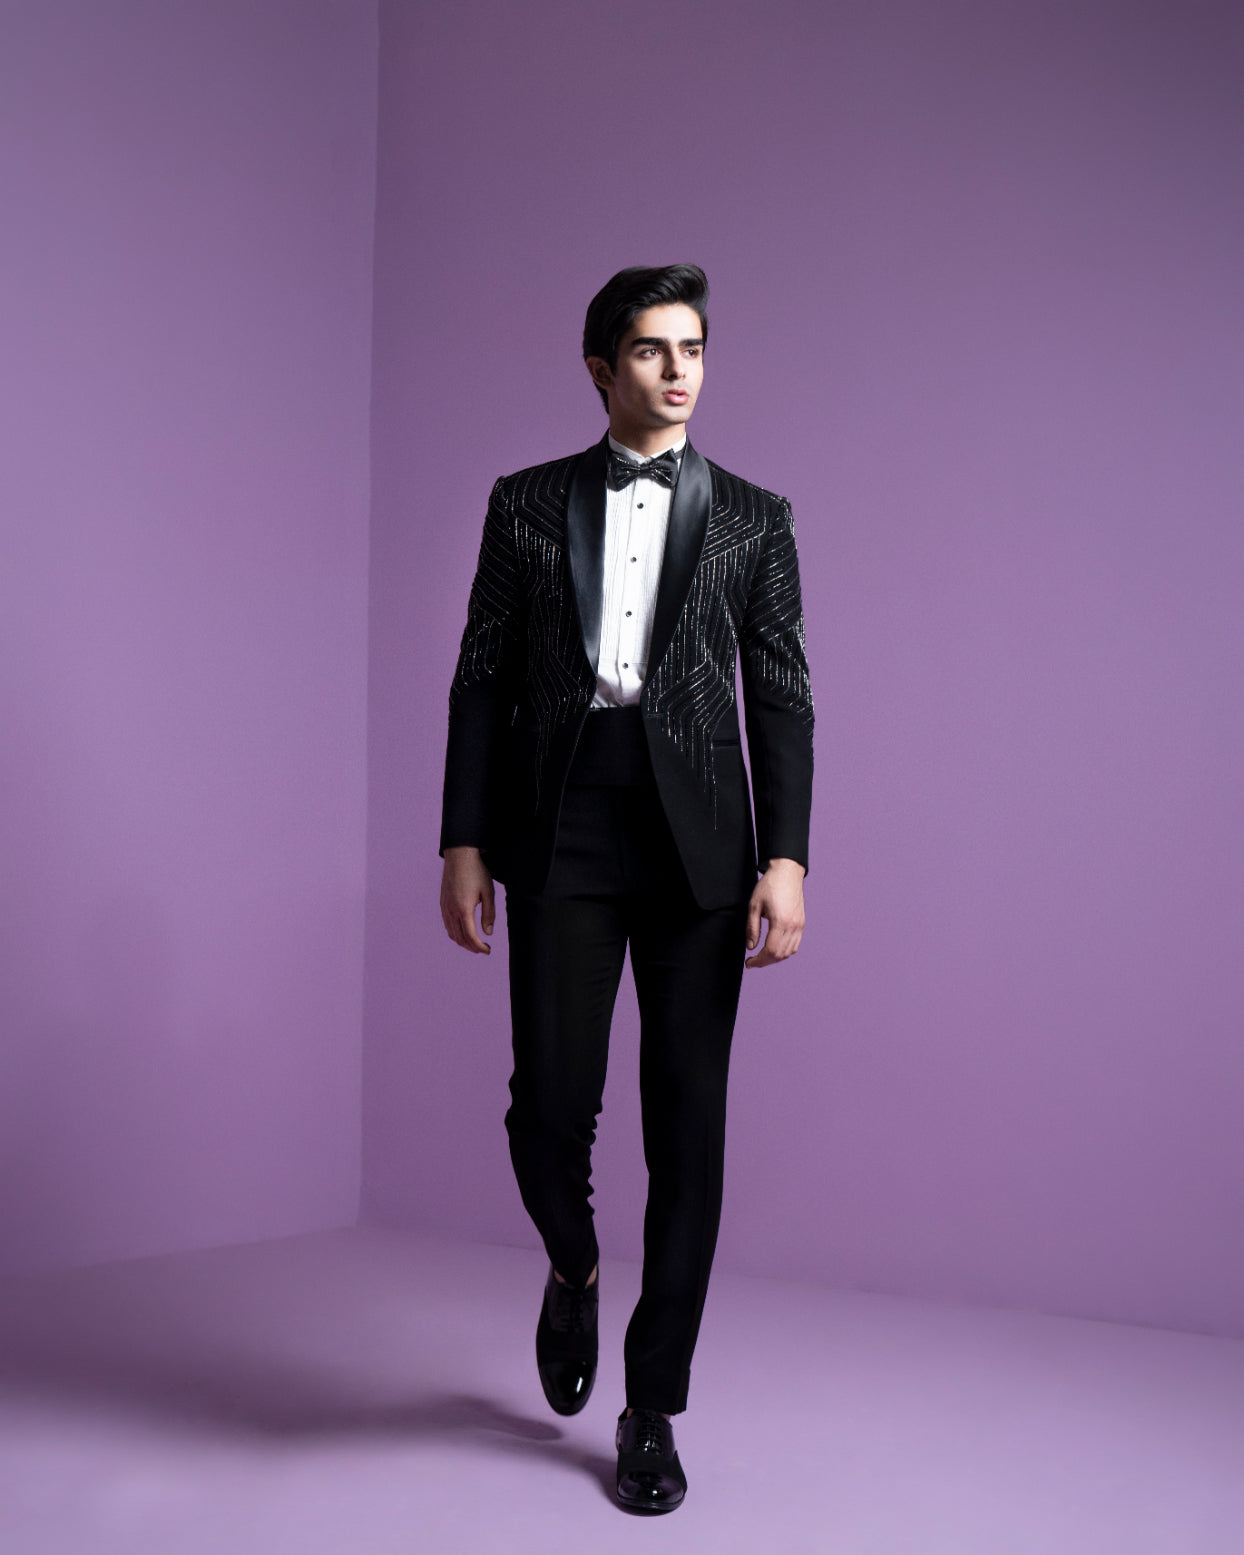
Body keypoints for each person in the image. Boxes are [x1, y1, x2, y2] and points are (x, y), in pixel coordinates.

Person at [439, 264, 814, 1513]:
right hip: (561, 822)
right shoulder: (524, 503)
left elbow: (781, 694)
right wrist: (462, 839)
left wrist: (785, 858)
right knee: (548, 1107)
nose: (677, 370)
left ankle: (651, 1405)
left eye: (691, 347)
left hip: (701, 840)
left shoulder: (755, 517)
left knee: (686, 1127)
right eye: (651, 350)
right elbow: (481, 675)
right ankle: (574, 1265)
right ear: (601, 369)